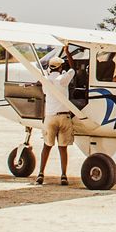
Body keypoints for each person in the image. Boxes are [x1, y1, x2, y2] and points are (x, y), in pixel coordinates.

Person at [38, 51, 77, 185]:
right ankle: (64, 175)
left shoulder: (46, 81)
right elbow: (73, 69)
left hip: (50, 117)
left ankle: (41, 174)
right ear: (60, 67)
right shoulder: (63, 79)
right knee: (63, 148)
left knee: (46, 146)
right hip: (64, 117)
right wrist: (67, 52)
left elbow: (44, 92)